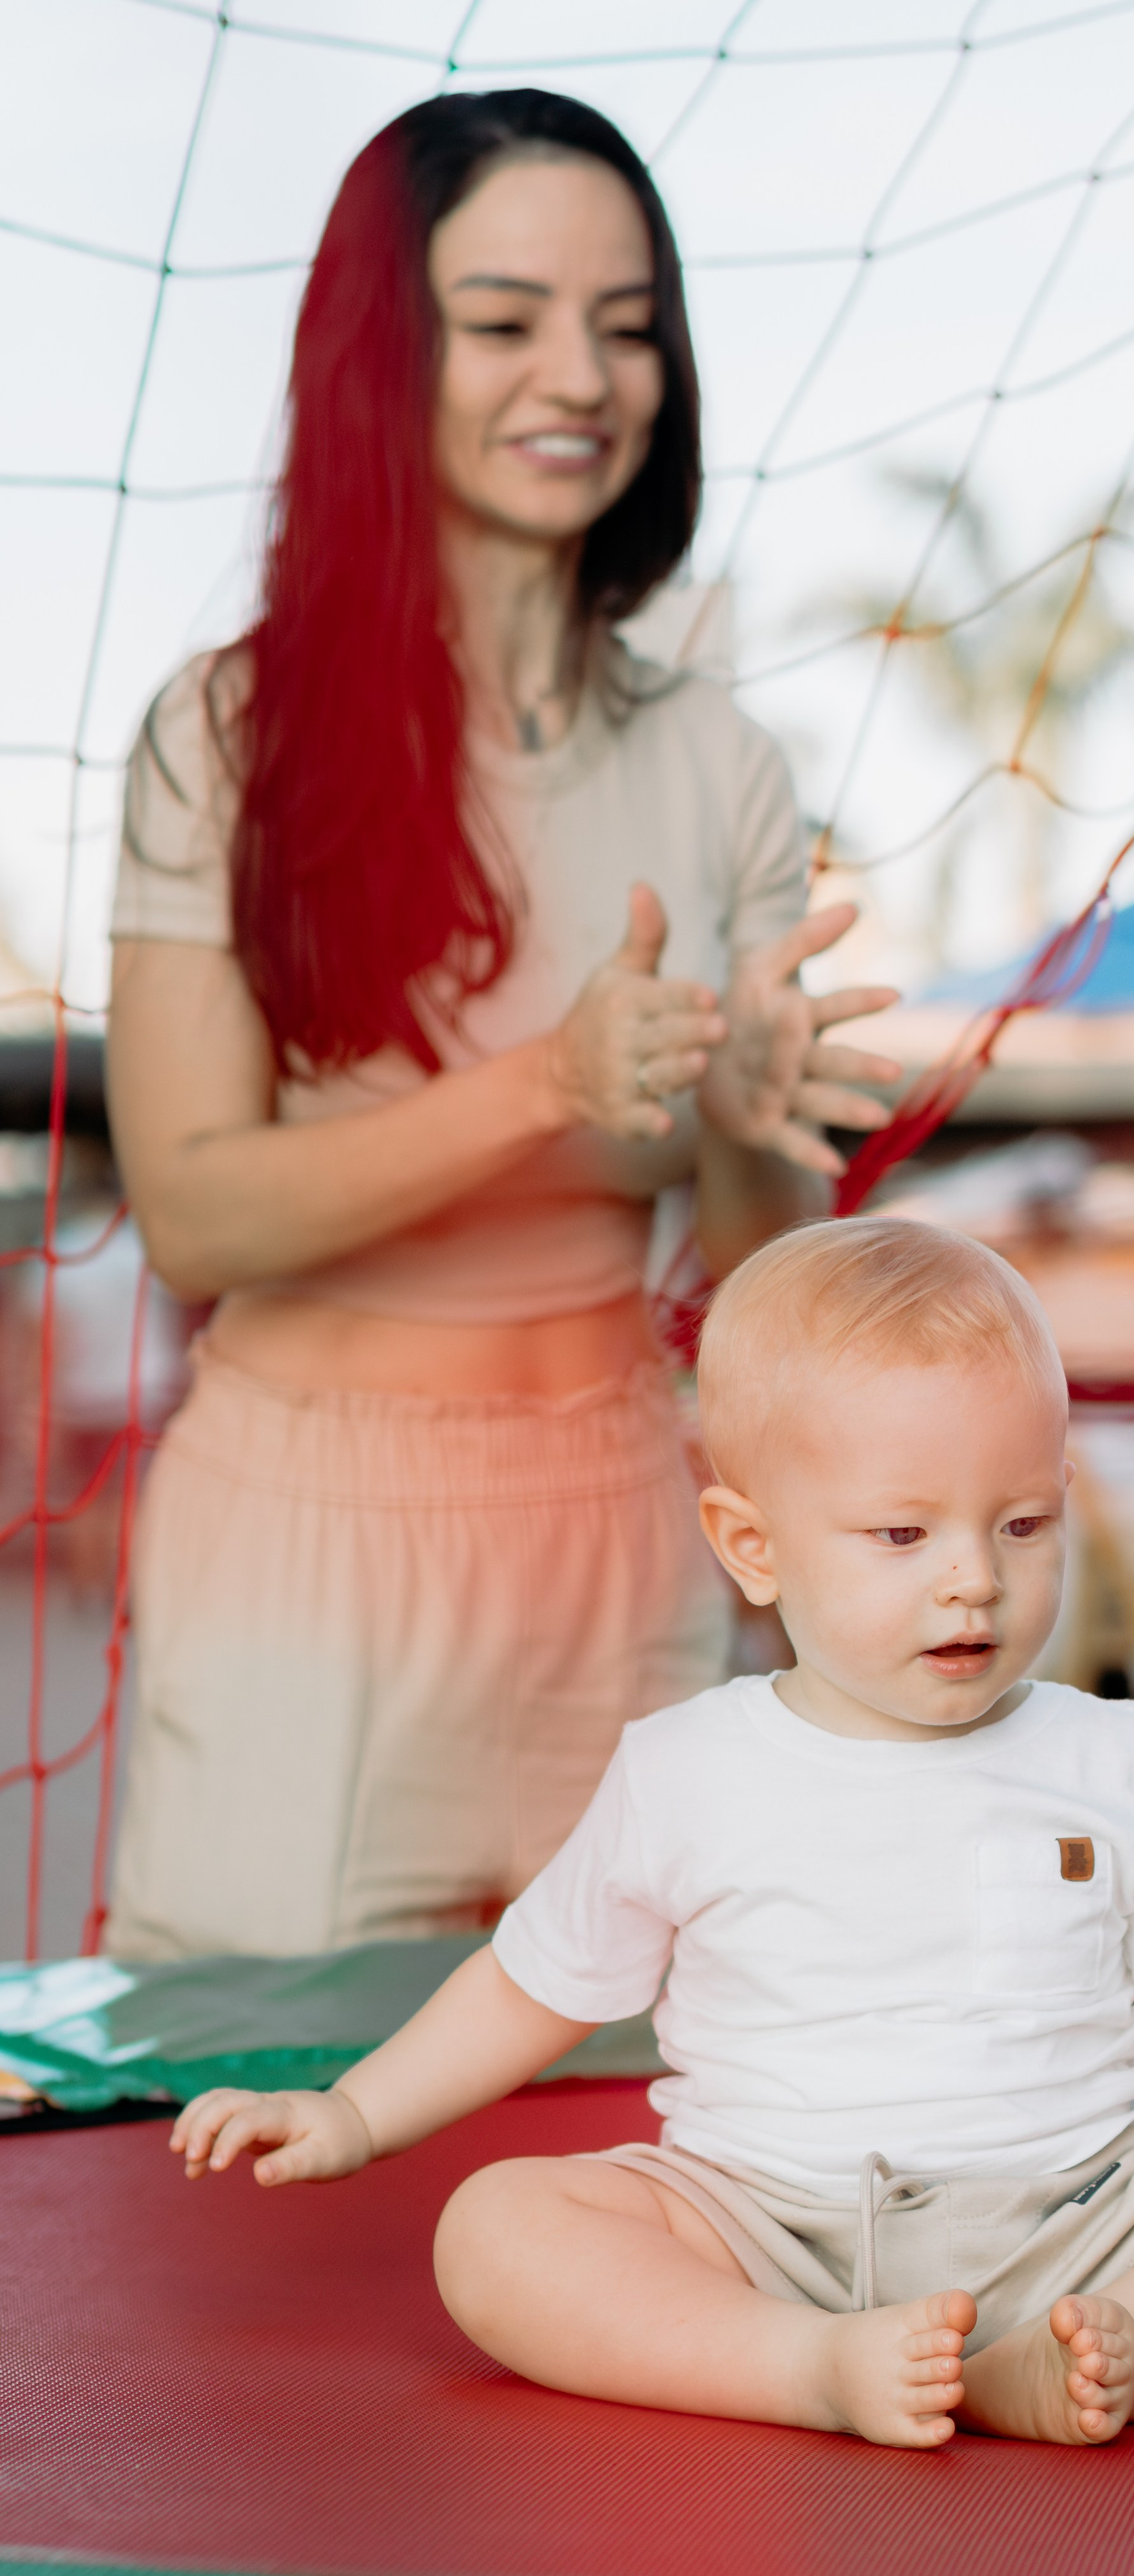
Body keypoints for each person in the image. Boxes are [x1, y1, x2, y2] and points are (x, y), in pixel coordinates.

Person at [170, 1219, 1134, 2450]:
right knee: (496, 2228)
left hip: (1084, 2220)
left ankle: (1105, 2354)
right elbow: (526, 1986)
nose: (973, 1578)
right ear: (753, 1548)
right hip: (763, 2229)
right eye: (901, 1533)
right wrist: (354, 2111)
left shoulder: (1114, 1757)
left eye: (1022, 1524)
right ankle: (810, 2368)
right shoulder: (687, 1770)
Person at [100, 91, 899, 1962]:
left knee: (622, 2156)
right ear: (389, 353)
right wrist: (546, 1085)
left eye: (628, 326)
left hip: (625, 1527)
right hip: (313, 1546)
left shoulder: (723, 760)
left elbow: (765, 1280)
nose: (584, 374)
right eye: (507, 316)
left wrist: (752, 1127)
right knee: (253, 2174)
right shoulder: (226, 738)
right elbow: (197, 1215)